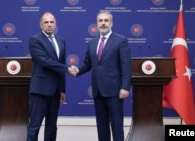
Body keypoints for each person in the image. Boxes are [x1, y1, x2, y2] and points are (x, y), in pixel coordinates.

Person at [70, 10, 131, 141]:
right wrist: (77, 70)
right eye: (100, 21)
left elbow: (126, 66)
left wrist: (125, 87)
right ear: (96, 24)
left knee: (117, 125)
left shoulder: (121, 41)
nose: (103, 23)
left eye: (106, 20)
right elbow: (87, 64)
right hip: (98, 91)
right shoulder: (92, 43)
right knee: (102, 126)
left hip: (115, 91)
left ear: (111, 23)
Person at [27, 12, 74, 141]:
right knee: (34, 126)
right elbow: (44, 61)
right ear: (41, 25)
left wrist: (62, 89)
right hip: (40, 90)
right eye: (46, 22)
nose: (49, 25)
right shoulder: (35, 40)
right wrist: (67, 69)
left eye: (51, 22)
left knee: (52, 127)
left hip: (55, 91)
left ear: (55, 24)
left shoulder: (61, 41)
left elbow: (60, 64)